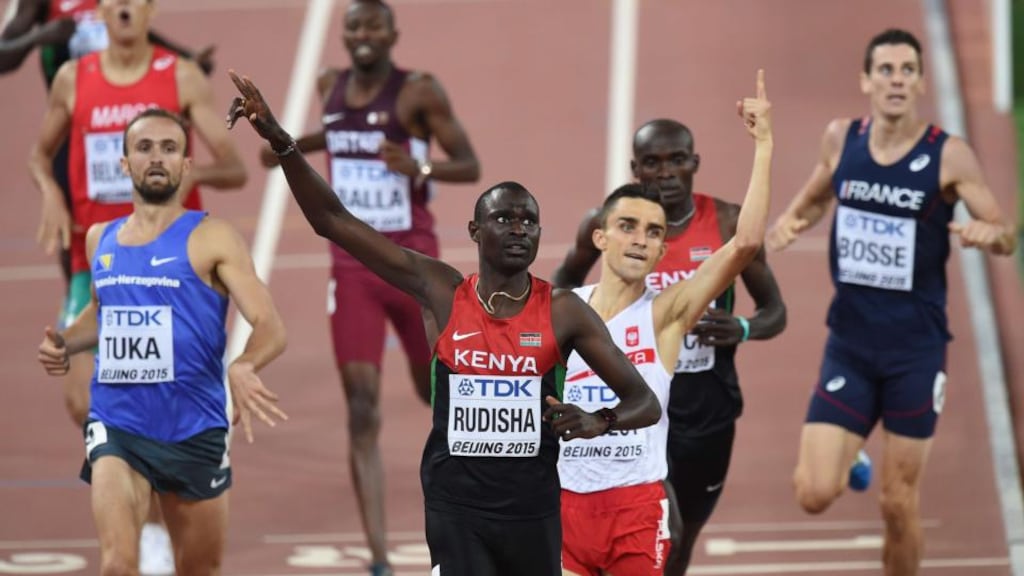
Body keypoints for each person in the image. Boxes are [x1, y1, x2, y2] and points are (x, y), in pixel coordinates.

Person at [228, 69, 661, 576]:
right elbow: (334, 221)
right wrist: (284, 144)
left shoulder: (562, 310)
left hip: (534, 510)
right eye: (505, 218)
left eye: (529, 221)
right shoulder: (440, 290)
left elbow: (644, 401)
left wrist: (597, 421)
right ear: (475, 230)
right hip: (457, 508)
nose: (518, 228)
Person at [767, 28, 1018, 575]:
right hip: (851, 346)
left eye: (907, 70)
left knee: (898, 504)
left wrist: (986, 234)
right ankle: (850, 449)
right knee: (812, 493)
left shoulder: (948, 156)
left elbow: (1006, 232)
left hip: (915, 352)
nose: (897, 79)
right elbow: (815, 199)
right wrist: (789, 223)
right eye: (886, 69)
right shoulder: (842, 139)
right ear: (866, 80)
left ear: (922, 81)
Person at [259, 1, 479, 573]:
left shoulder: (419, 92)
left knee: (441, 391)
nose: (362, 35)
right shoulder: (327, 83)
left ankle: (474, 499)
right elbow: (338, 133)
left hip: (413, 265)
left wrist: (419, 169)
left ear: (392, 34)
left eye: (372, 25)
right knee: (361, 409)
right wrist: (291, 144)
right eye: (353, 25)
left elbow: (469, 163)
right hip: (354, 266)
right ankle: (380, 557)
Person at [26, 1, 246, 572]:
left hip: (175, 264)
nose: (123, 6)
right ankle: (139, 503)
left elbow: (234, 167)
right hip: (98, 257)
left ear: (149, 9)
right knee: (81, 398)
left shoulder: (178, 75)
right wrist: (51, 191)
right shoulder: (75, 77)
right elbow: (37, 152)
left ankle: (165, 490)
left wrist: (169, 168)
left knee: (173, 386)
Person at [36, 108, 287, 576]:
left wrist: (245, 365)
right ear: (124, 163)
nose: (157, 157)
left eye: (169, 148)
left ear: (186, 165)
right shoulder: (100, 239)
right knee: (116, 564)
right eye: (144, 148)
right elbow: (103, 311)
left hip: (193, 430)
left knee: (199, 569)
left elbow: (271, 324)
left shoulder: (212, 237)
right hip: (118, 424)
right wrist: (66, 344)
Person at [556, 69, 775, 576]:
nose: (639, 239)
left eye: (653, 232)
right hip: (565, 505)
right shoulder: (564, 309)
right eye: (627, 227)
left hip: (635, 511)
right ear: (600, 238)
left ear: (660, 250)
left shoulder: (667, 312)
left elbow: (744, 244)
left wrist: (763, 144)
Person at [1, 0, 214, 281]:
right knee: (77, 235)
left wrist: (185, 55)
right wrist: (41, 36)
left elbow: (131, 30)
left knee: (149, 219)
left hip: (132, 112)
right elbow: (4, 57)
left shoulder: (119, 8)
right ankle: (80, 295)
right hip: (79, 125)